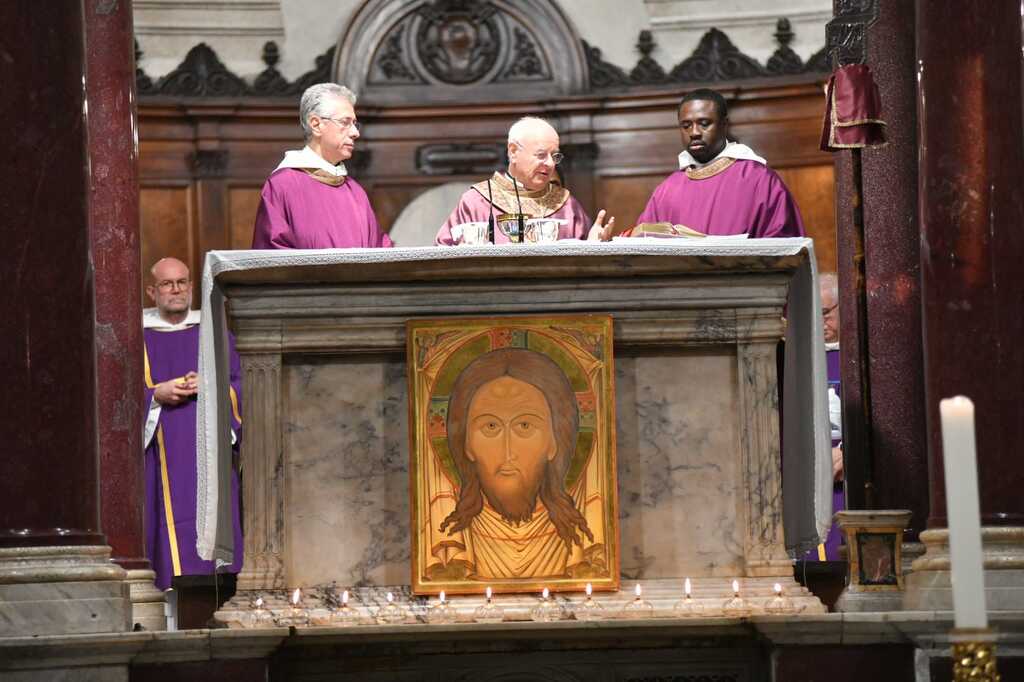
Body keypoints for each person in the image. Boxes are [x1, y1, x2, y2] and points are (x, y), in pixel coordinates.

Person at [437, 348, 600, 579]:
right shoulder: (455, 546)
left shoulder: (579, 542)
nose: (508, 451)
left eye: (525, 426)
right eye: (490, 427)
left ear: (554, 442)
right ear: (466, 444)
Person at [142, 257, 243, 591]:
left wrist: (212, 386)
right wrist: (156, 394)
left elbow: (243, 387)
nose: (177, 290)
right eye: (168, 284)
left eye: (183, 282)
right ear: (151, 291)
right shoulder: (136, 338)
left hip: (211, 455)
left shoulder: (215, 333)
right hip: (160, 460)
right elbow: (116, 398)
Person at [635, 88, 805, 238]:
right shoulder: (667, 190)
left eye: (704, 124)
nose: (694, 132)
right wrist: (609, 241)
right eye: (686, 125)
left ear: (724, 125)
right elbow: (641, 243)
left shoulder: (759, 179)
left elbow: (783, 246)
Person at [251, 82, 393, 249]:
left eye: (355, 123)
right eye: (345, 122)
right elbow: (271, 260)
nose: (355, 133)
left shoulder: (355, 191)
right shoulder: (283, 186)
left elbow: (382, 254)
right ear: (316, 125)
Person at [435, 117, 614, 245]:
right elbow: (443, 259)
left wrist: (594, 246)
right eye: (541, 155)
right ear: (513, 152)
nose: (551, 164)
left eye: (555, 156)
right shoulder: (477, 202)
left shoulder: (566, 205)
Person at [806, 271, 845, 561]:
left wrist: (847, 452)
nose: (820, 324)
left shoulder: (868, 356)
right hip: (810, 473)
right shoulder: (798, 359)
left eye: (824, 314)